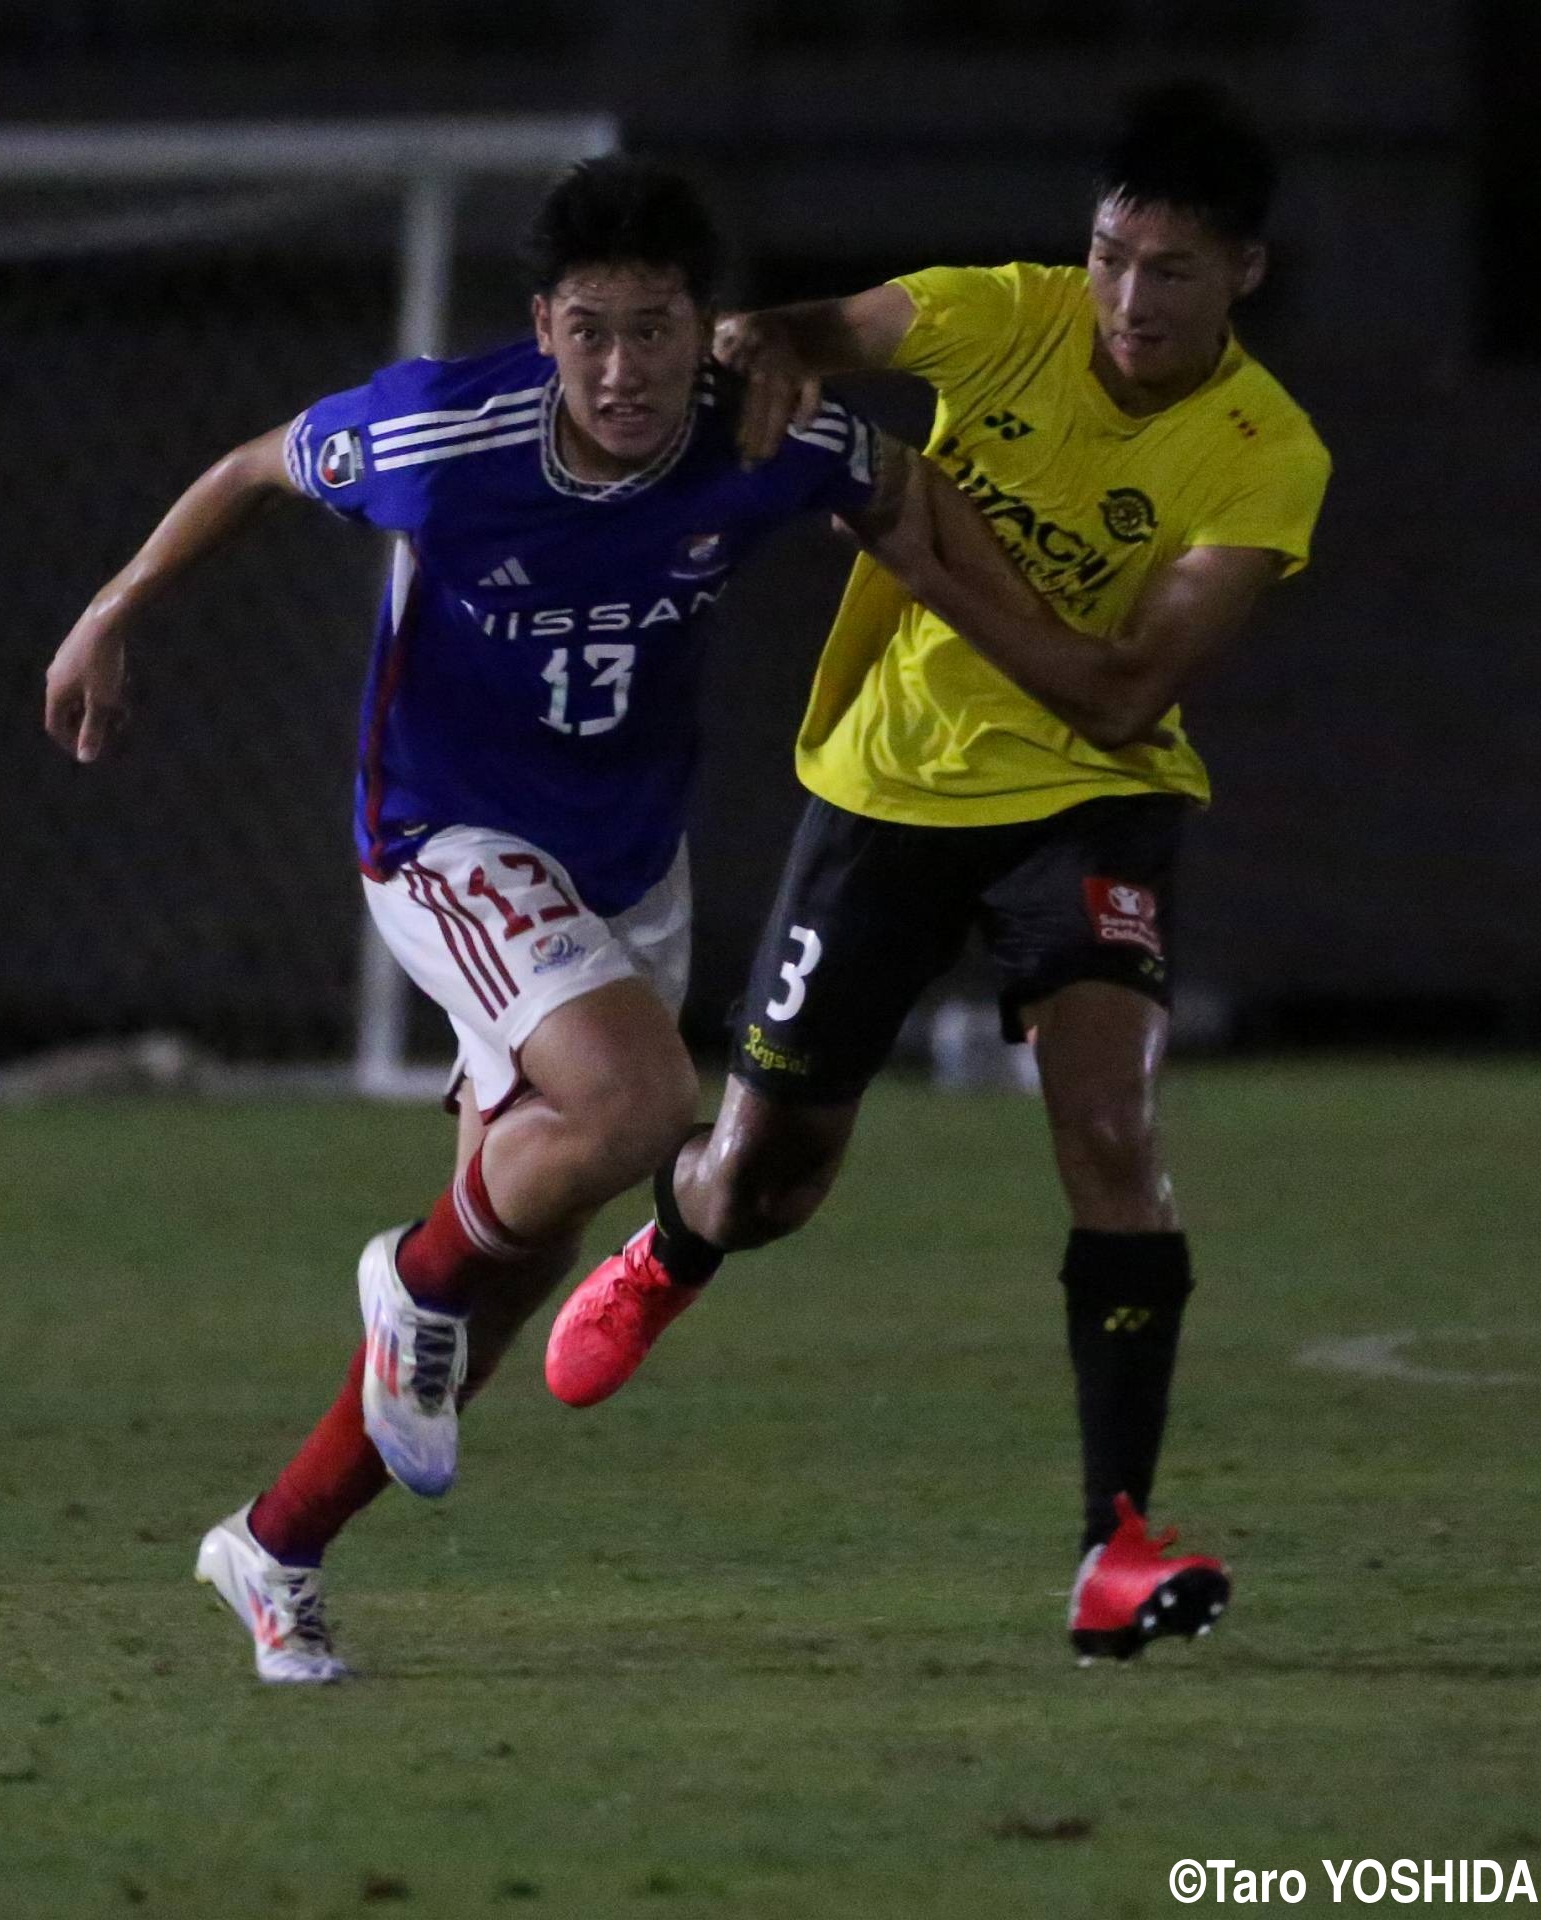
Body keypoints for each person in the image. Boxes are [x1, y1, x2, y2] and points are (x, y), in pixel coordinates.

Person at [43, 156, 1023, 1684]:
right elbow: (251, 467)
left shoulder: (762, 430)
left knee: (516, 1262)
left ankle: (275, 1544)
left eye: (654, 329)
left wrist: (1041, 650)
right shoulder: (442, 433)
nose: (622, 369)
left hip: (626, 866)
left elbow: (903, 494)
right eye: (590, 332)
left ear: (709, 324)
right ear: (542, 328)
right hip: (444, 833)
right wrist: (112, 609)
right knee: (638, 1106)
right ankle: (411, 1277)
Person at [545, 87, 1330, 1662]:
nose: (1124, 302)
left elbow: (1119, 696)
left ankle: (1114, 1549)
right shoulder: (1003, 316)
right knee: (773, 1178)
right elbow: (796, 330)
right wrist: (764, 356)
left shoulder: (1265, 451)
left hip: (1091, 802)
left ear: (1243, 273)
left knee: (1112, 1127)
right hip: (891, 792)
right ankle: (680, 1233)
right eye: (1110, 256)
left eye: (1169, 273)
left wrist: (920, 545)